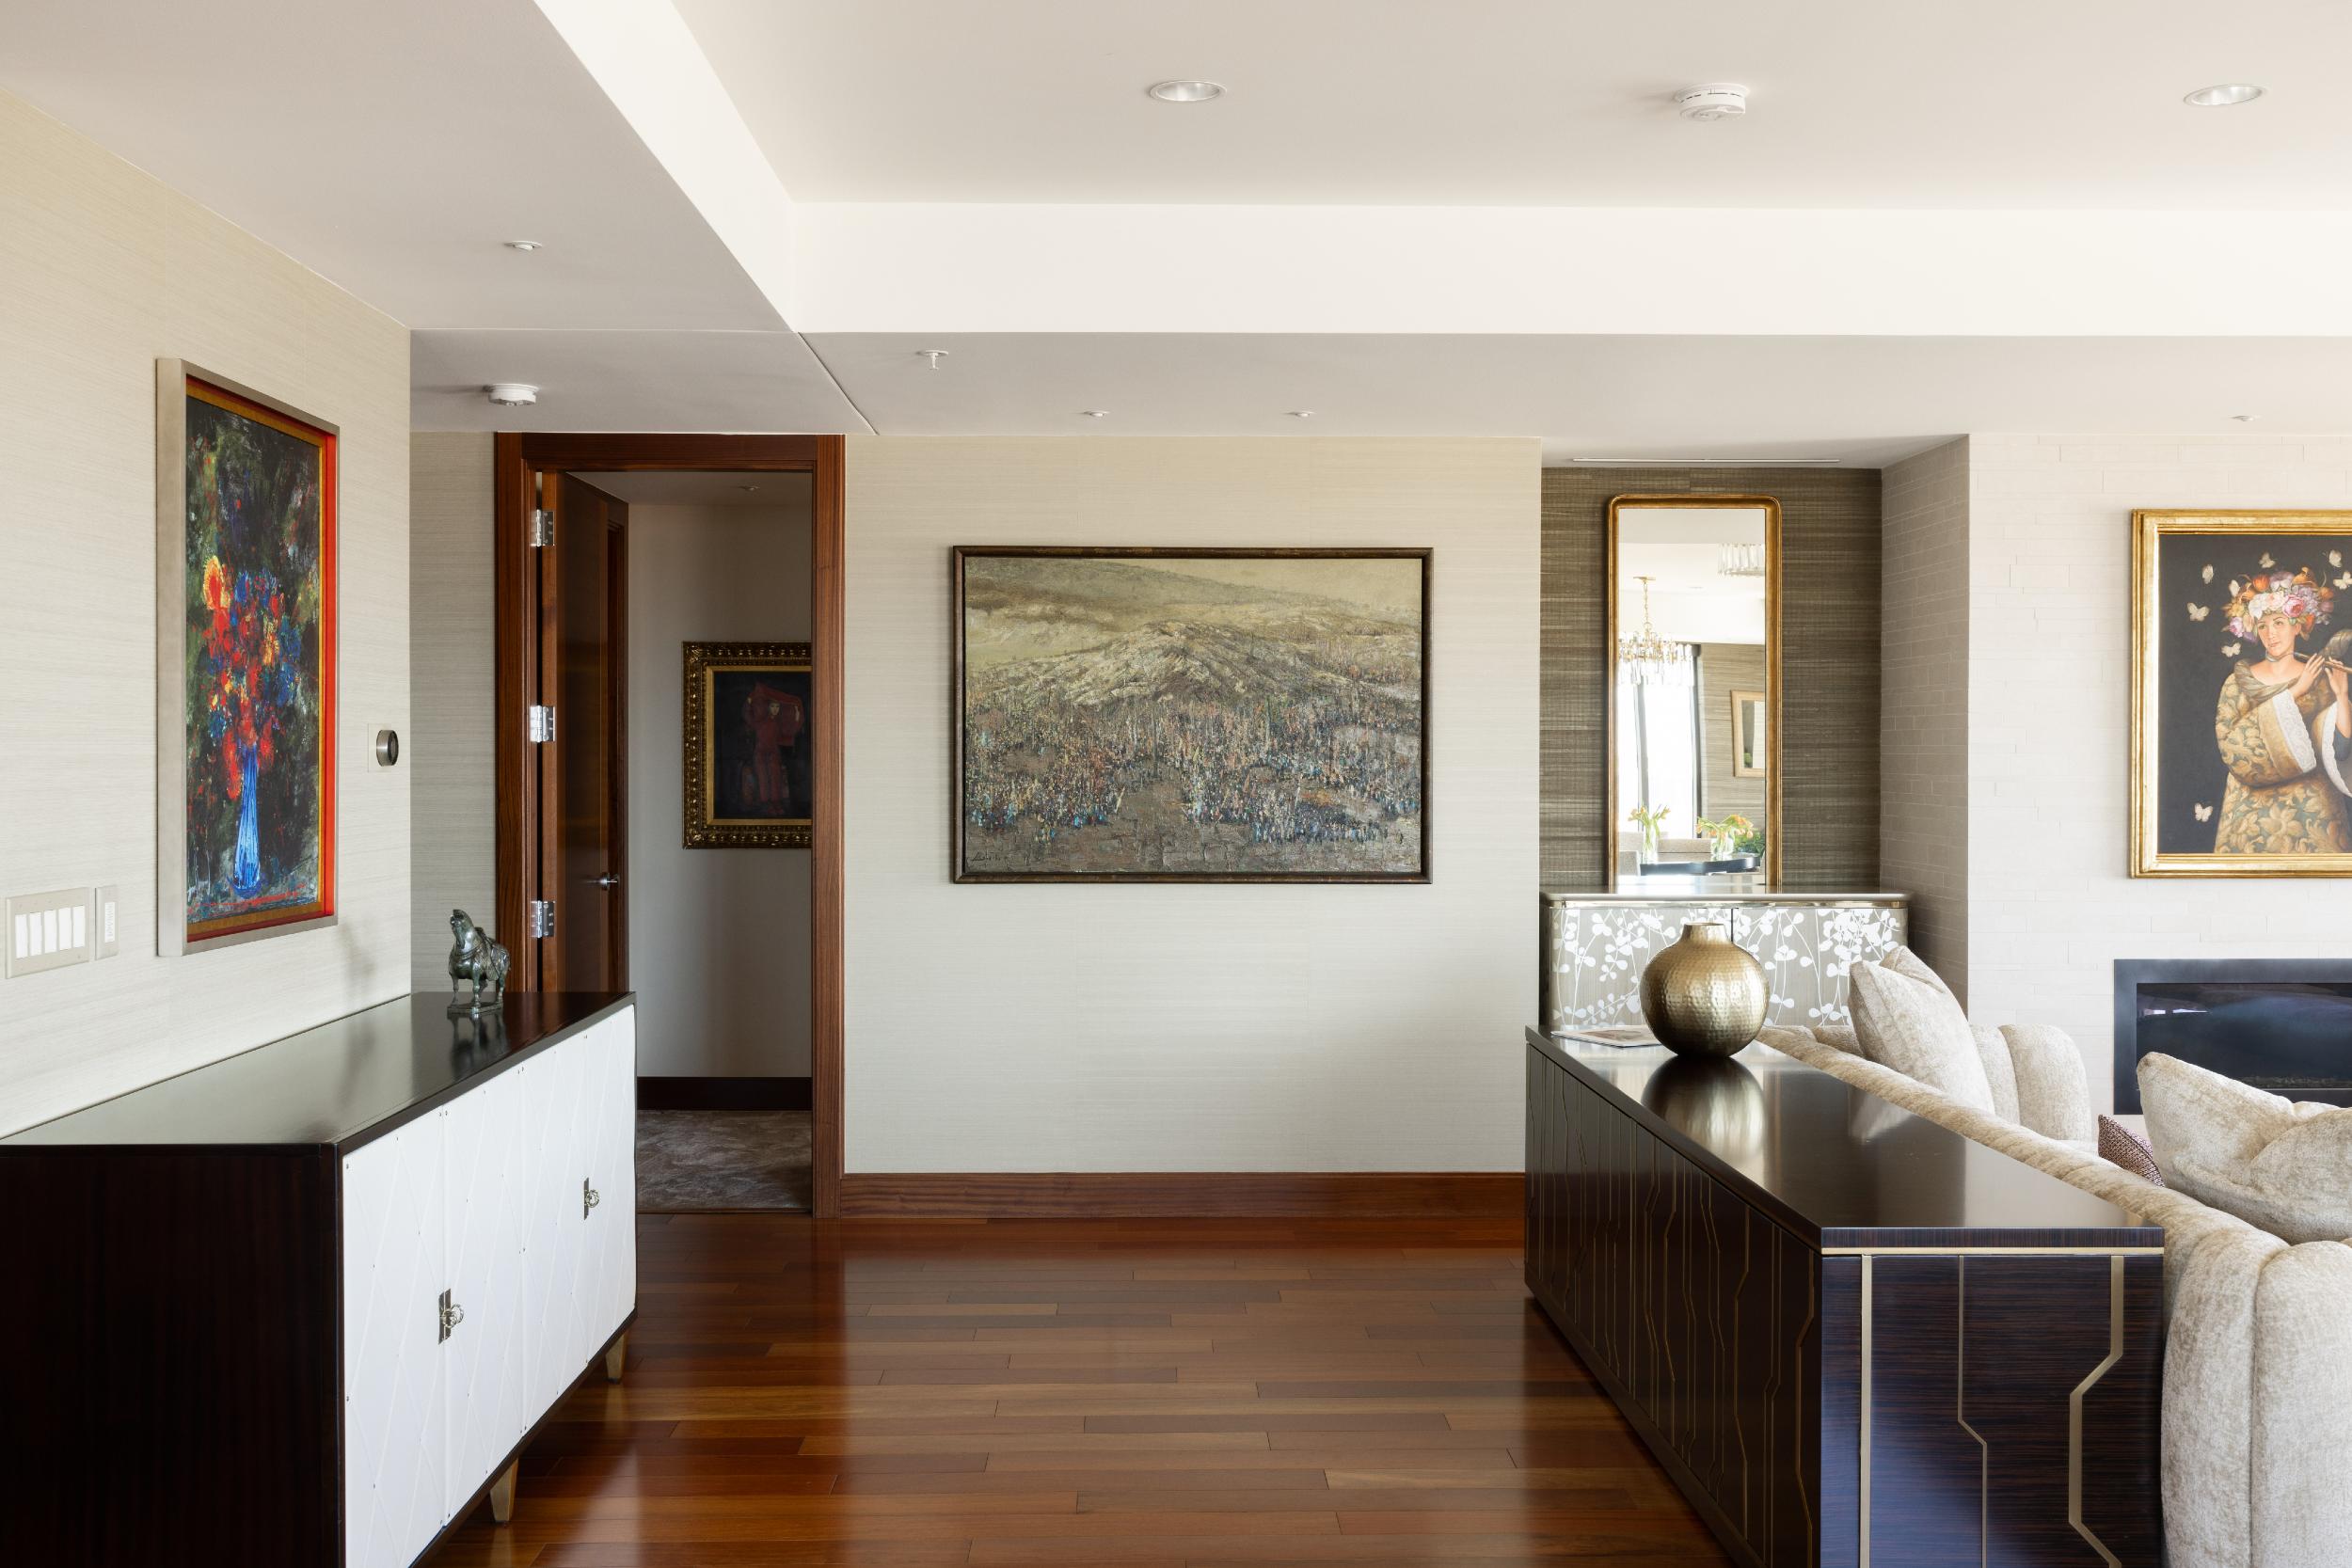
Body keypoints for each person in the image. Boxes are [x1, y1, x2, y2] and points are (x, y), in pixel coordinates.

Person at [2212, 569, 2352, 853]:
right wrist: (2296, 691)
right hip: (2249, 813)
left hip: (2312, 810)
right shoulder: (2236, 683)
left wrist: (2341, 695)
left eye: (2279, 622)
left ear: (2298, 626)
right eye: (2262, 626)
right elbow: (2232, 747)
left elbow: (2339, 749)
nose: (2270, 634)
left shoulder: (2322, 678)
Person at [743, 680, 804, 814]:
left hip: (774, 753)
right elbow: (748, 717)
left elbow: (790, 731)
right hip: (760, 753)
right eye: (773, 706)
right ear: (768, 707)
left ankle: (776, 804)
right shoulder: (759, 721)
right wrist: (748, 703)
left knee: (775, 778)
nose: (775, 709)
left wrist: (797, 715)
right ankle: (767, 805)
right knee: (763, 778)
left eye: (777, 707)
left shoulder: (779, 723)